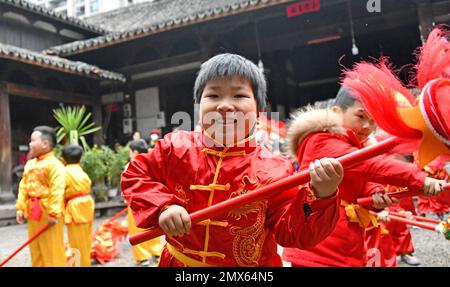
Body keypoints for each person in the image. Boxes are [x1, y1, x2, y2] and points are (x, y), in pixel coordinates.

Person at [121, 53, 344, 267]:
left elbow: (294, 234)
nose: (225, 105)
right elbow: (135, 175)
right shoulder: (174, 148)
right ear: (199, 106)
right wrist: (163, 207)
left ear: (259, 110)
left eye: (238, 95)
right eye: (214, 95)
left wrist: (322, 194)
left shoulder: (275, 169)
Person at [282, 86, 446, 266]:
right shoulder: (321, 139)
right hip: (319, 243)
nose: (367, 126)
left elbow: (360, 179)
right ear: (337, 112)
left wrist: (374, 195)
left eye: (372, 120)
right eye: (360, 116)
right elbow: (369, 166)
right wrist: (419, 178)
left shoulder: (351, 144)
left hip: (342, 239)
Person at [15, 126, 67, 267]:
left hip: (47, 210)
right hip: (33, 210)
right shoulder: (30, 164)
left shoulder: (55, 165)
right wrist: (20, 207)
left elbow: (57, 190)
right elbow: (23, 186)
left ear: (45, 144)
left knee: (52, 249)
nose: (30, 144)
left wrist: (53, 213)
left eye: (33, 140)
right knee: (35, 248)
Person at [126, 139, 163, 266]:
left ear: (135, 152)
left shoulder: (131, 165)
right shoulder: (152, 161)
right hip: (153, 201)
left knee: (137, 229)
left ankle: (142, 257)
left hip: (136, 202)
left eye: (129, 151)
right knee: (153, 226)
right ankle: (156, 251)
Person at [61, 144, 95, 267]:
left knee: (76, 243)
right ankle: (85, 264)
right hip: (87, 205)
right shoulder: (81, 171)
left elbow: (59, 192)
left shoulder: (64, 172)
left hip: (75, 209)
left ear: (62, 159)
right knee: (85, 242)